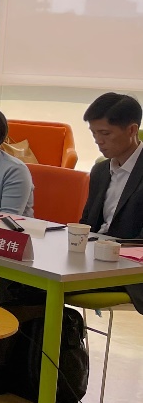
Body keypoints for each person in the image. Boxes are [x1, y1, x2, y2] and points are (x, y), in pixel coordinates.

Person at [78, 93, 143, 311]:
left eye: (105, 133)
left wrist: (104, 250)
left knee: (30, 287)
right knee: (21, 278)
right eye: (94, 133)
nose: (98, 140)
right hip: (94, 259)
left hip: (130, 270)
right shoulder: (100, 170)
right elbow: (87, 223)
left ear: (132, 130)